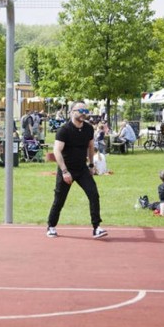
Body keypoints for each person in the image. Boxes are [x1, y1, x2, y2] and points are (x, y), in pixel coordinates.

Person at [46, 102, 106, 239]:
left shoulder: (88, 128)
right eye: (81, 110)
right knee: (59, 199)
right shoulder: (64, 130)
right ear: (72, 112)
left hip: (82, 168)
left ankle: (96, 227)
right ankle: (51, 226)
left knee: (93, 194)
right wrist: (64, 171)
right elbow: (57, 151)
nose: (84, 113)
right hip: (67, 169)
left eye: (86, 110)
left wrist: (91, 165)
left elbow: (90, 147)